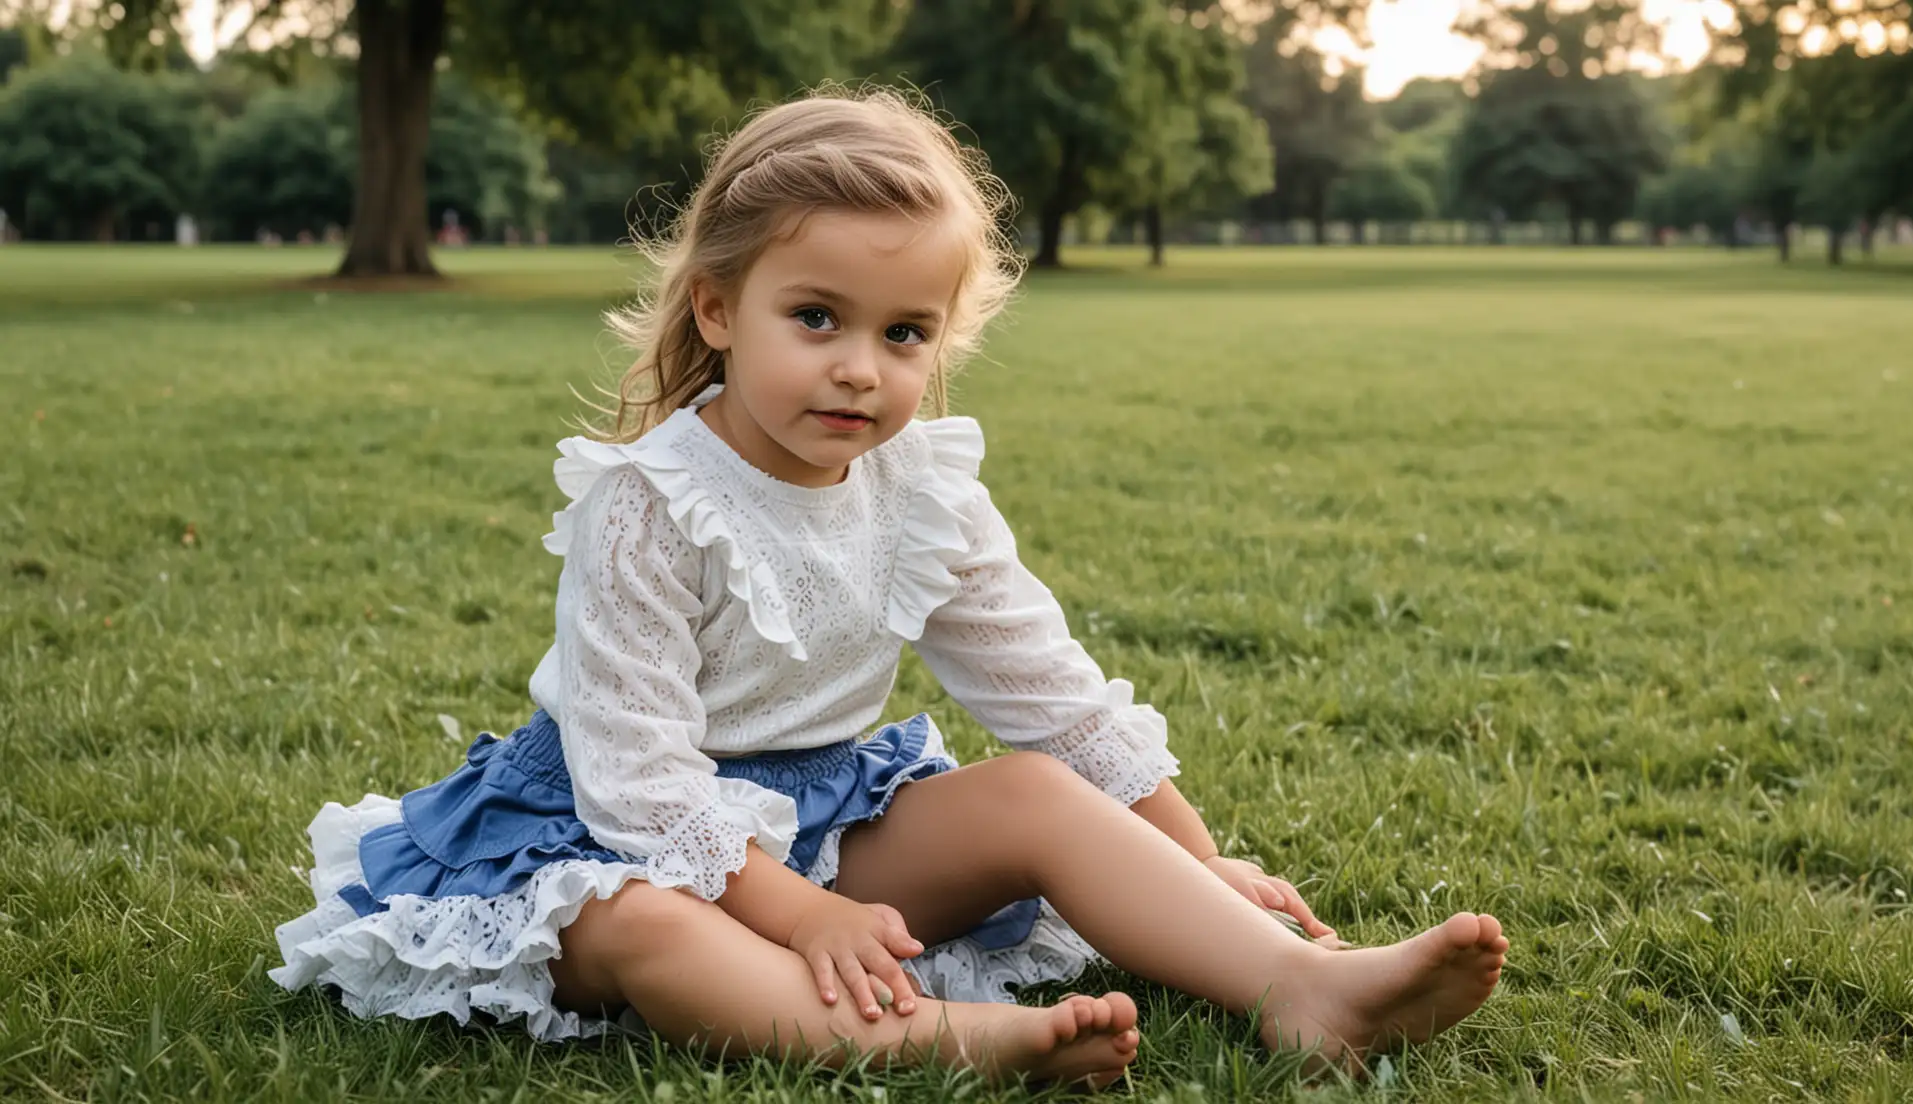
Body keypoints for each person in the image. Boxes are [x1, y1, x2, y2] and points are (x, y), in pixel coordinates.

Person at [268, 87, 1506, 1087]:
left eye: (905, 333)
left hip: (829, 815)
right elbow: (638, 780)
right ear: (718, 307)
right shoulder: (650, 502)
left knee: (1030, 789)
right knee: (649, 930)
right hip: (609, 836)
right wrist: (802, 918)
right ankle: (955, 1042)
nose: (861, 370)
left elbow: (1055, 702)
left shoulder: (922, 491)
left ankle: (1303, 989)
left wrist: (1197, 858)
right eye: (816, 317)